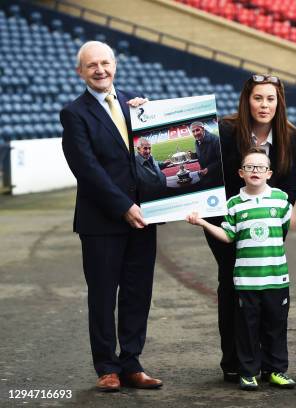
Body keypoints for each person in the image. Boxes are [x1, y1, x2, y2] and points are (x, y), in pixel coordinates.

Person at [60, 41, 162, 392]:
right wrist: (123, 206)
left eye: (105, 63)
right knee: (103, 296)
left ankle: (131, 362)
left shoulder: (138, 103)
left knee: (138, 293)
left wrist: (152, 120)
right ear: (80, 72)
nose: (100, 70)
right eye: (92, 65)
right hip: (102, 221)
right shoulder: (74, 113)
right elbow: (86, 169)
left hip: (144, 217)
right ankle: (107, 367)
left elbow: (155, 151)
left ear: (115, 66)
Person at [205, 74, 296, 383]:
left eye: (270, 99)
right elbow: (207, 175)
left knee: (269, 298)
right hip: (229, 226)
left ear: (279, 102)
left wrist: (274, 232)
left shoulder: (290, 136)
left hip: (268, 233)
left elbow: (287, 188)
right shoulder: (225, 131)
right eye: (258, 98)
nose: (264, 104)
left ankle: (270, 364)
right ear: (248, 101)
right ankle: (235, 362)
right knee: (233, 291)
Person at [186, 148, 296, 391]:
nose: (255, 171)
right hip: (246, 281)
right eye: (249, 167)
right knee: (247, 329)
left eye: (260, 167)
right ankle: (248, 371)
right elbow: (227, 236)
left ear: (269, 173)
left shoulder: (280, 199)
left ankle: (276, 370)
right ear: (241, 173)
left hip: (276, 279)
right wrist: (203, 223)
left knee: (275, 327)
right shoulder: (234, 204)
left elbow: (289, 224)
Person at [190, 121, 222, 188]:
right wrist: (194, 155)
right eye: (193, 131)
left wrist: (208, 169)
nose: (195, 133)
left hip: (217, 177)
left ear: (203, 129)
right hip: (205, 175)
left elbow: (222, 159)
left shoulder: (215, 140)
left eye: (197, 130)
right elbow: (205, 154)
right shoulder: (197, 141)